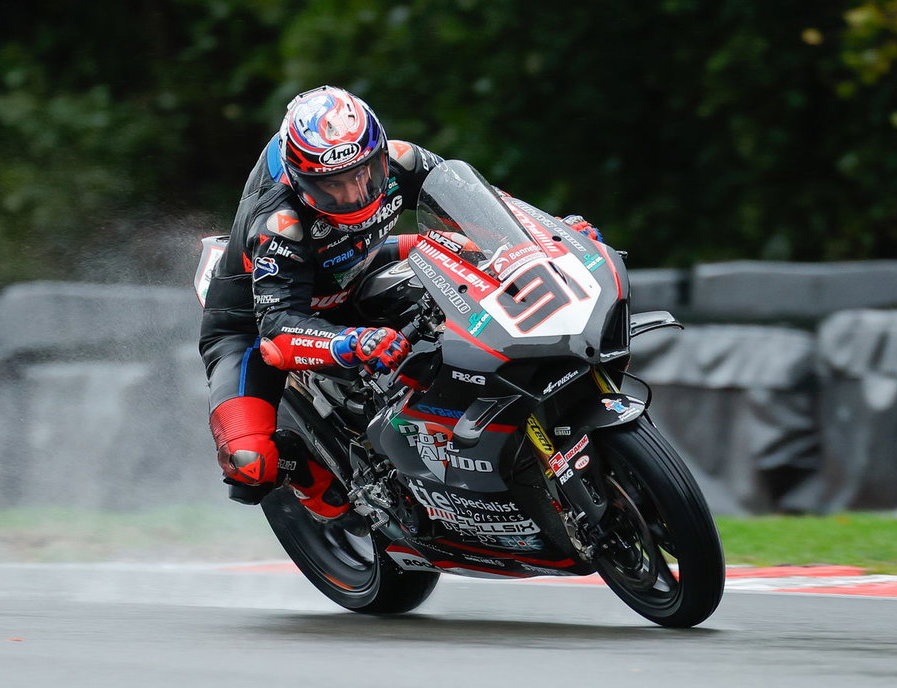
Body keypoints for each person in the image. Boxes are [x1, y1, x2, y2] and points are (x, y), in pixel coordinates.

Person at [197, 85, 600, 521]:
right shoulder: (279, 223)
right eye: (332, 185)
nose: (354, 193)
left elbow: (485, 206)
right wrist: (350, 343)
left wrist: (552, 233)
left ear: (380, 153)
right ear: (301, 181)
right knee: (249, 462)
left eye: (364, 173)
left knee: (465, 252)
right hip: (257, 321)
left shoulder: (402, 159)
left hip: (359, 266)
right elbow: (277, 330)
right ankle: (305, 472)